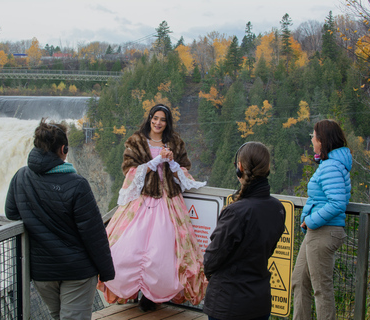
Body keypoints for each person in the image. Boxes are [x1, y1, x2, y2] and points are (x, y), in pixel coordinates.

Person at [97, 104, 207, 311]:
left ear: (167, 122)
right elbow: (129, 171)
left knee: (163, 251)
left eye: (162, 120)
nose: (158, 123)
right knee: (128, 248)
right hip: (141, 202)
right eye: (155, 118)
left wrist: (173, 164)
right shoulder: (136, 141)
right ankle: (132, 290)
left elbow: (183, 171)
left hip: (169, 201)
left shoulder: (175, 142)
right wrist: (155, 161)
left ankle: (151, 296)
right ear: (149, 118)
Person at [5, 118, 115, 320]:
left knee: (57, 316)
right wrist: (106, 271)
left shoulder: (21, 177)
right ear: (63, 149)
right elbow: (93, 233)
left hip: (42, 271)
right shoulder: (76, 184)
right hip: (77, 271)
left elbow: (12, 213)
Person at [203, 141, 286, 320]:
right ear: (268, 168)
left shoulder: (236, 211)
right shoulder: (278, 208)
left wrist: (209, 273)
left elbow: (214, 255)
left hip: (228, 303)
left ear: (239, 167)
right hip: (260, 301)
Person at [292, 119, 352, 320]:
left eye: (314, 136)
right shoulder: (329, 164)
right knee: (299, 280)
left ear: (323, 140)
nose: (312, 140)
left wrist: (311, 220)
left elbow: (337, 203)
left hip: (324, 232)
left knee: (321, 289)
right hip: (316, 231)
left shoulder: (331, 167)